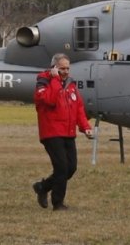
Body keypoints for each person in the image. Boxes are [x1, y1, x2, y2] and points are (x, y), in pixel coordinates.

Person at [32, 53, 93, 211]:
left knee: (71, 168)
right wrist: (55, 80)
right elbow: (50, 100)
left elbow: (78, 107)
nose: (65, 71)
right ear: (53, 68)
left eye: (67, 68)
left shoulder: (70, 84)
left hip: (68, 132)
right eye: (62, 68)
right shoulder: (43, 82)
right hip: (52, 132)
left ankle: (43, 187)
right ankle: (58, 203)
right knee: (61, 168)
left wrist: (85, 126)